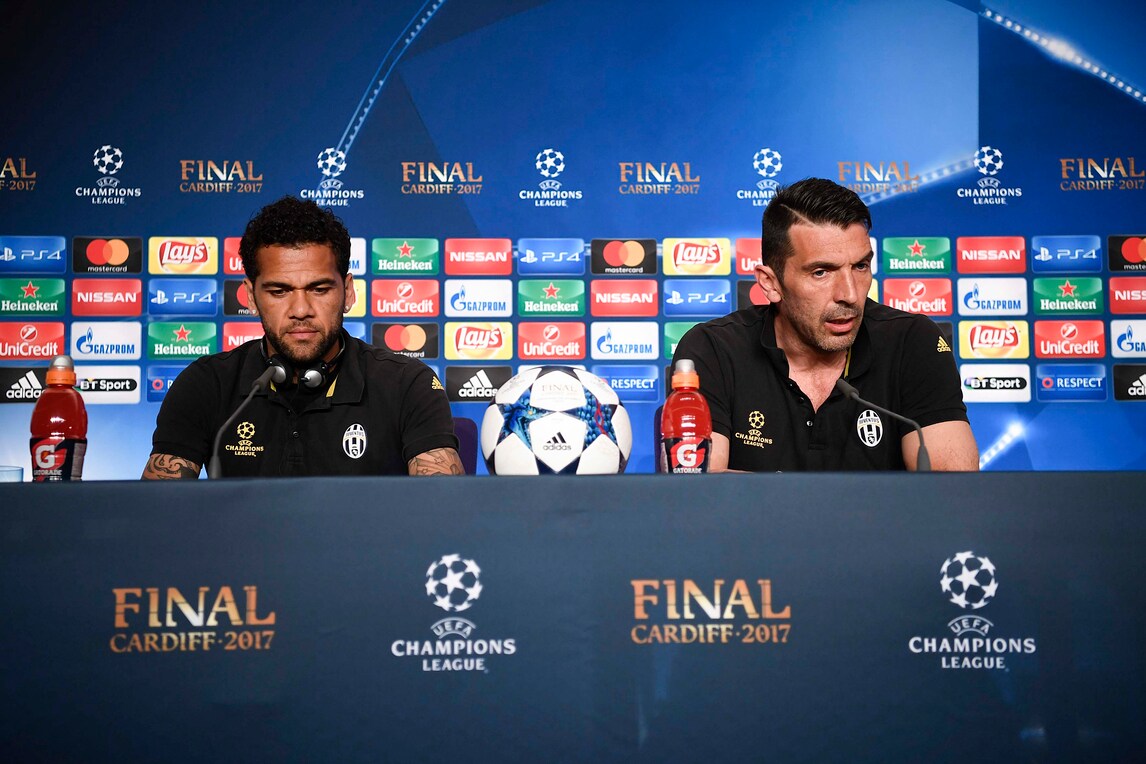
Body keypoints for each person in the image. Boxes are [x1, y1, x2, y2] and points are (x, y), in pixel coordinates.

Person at [142, 196, 463, 479]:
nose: (300, 310)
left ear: (348, 292)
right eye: (279, 291)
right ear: (250, 297)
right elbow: (156, 514)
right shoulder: (206, 383)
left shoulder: (407, 384)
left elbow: (445, 510)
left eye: (319, 289)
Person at [672, 178, 978, 472]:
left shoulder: (912, 342)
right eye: (821, 272)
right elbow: (698, 489)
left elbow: (952, 490)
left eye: (860, 266)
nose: (850, 294)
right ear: (770, 283)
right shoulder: (713, 350)